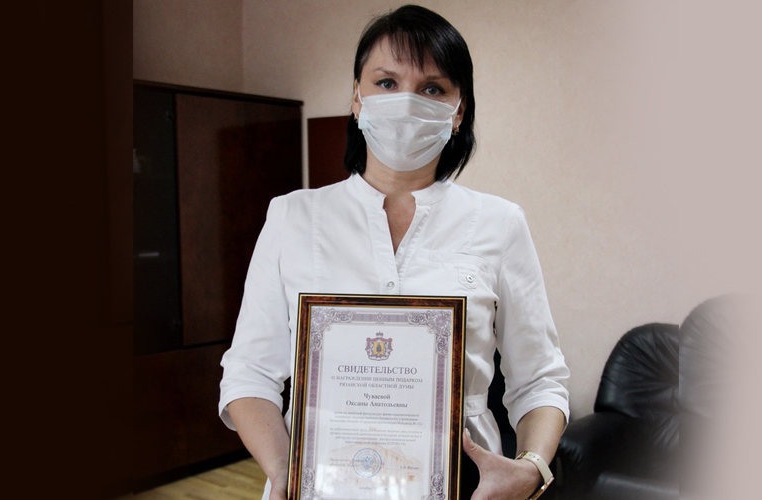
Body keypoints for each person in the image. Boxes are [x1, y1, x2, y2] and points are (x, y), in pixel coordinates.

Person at [219, 5, 570, 500]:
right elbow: (249, 375)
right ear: (357, 98)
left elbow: (540, 379)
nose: (406, 102)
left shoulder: (500, 223)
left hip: (464, 488)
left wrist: (531, 468)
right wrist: (283, 473)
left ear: (459, 111)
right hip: (318, 489)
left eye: (433, 88)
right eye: (386, 82)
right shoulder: (292, 217)